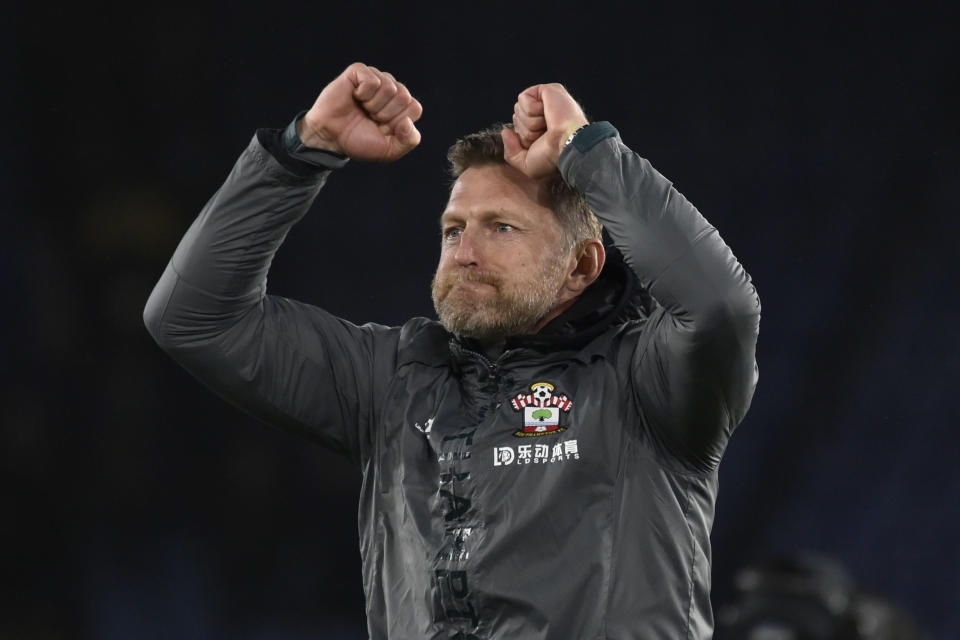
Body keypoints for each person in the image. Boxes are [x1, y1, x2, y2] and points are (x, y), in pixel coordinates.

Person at [144, 62, 761, 640]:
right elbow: (193, 317)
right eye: (453, 230)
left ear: (581, 265)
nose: (466, 253)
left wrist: (588, 153)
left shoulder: (647, 380)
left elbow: (720, 308)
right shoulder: (388, 379)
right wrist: (303, 149)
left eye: (502, 227)